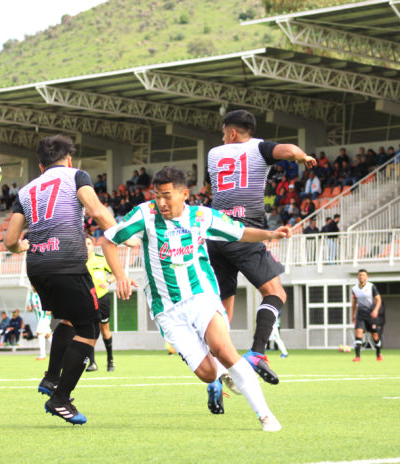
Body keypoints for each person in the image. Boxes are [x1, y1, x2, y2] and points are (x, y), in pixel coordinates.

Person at [102, 166, 289, 431]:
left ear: (184, 194)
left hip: (201, 295)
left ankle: (265, 415)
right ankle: (222, 374)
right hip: (165, 308)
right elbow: (108, 242)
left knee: (224, 350)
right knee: (207, 373)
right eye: (157, 195)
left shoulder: (202, 216)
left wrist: (270, 234)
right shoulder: (144, 214)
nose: (161, 202)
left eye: (167, 195)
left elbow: (240, 232)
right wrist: (120, 275)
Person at [4, 134, 132, 425]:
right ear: (69, 159)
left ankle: (50, 378)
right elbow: (97, 210)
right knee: (89, 330)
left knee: (69, 320)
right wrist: (126, 236)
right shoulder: (77, 176)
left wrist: (18, 247)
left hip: (37, 267)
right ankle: (60, 399)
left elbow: (10, 239)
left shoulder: (24, 191)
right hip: (68, 265)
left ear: (40, 166)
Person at [204, 109, 316, 387]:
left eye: (223, 131)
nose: (222, 136)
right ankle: (257, 353)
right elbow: (287, 150)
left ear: (231, 132)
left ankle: (218, 370)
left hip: (214, 234)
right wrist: (301, 155)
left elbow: (212, 188)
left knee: (222, 309)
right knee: (275, 293)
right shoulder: (259, 148)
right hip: (243, 233)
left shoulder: (213, 154)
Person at [85, 236, 116, 372]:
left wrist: (108, 282)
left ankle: (110, 361)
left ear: (93, 245)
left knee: (105, 330)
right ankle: (92, 363)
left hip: (102, 299)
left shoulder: (101, 259)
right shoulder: (78, 262)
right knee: (89, 331)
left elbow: (115, 273)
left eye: (89, 243)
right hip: (86, 300)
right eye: (83, 243)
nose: (86, 246)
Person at [351, 269, 383, 362]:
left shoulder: (371, 286)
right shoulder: (354, 289)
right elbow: (354, 302)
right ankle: (357, 357)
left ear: (367, 277)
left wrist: (376, 310)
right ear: (358, 276)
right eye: (360, 275)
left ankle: (378, 354)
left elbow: (378, 299)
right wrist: (353, 314)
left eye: (363, 275)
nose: (361, 276)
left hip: (371, 313)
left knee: (375, 336)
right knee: (358, 333)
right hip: (360, 313)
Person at [27, 287, 52, 360]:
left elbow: (50, 300)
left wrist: (50, 309)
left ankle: (42, 354)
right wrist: (29, 308)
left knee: (39, 332)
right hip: (39, 318)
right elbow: (30, 307)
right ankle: (61, 351)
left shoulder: (42, 292)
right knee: (48, 335)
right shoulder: (31, 295)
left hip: (45, 316)